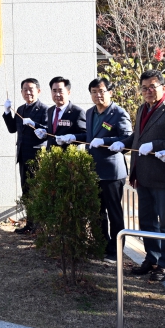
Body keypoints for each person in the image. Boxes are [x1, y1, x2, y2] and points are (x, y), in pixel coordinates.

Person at [113, 69, 165, 282]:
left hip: (164, 178)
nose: (148, 91)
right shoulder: (142, 109)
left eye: (152, 87)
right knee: (147, 221)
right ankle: (152, 258)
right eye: (144, 88)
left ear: (163, 88)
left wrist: (156, 146)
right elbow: (138, 138)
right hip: (143, 176)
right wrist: (123, 145)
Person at [57, 77, 132, 262]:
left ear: (110, 92)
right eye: (94, 92)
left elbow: (128, 138)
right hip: (94, 170)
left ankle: (116, 251)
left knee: (114, 213)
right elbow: (89, 136)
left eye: (102, 91)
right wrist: (73, 136)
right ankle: (102, 245)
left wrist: (107, 142)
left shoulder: (119, 113)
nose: (98, 95)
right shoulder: (90, 113)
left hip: (112, 172)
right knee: (97, 212)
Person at [2, 78, 49, 234]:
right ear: (21, 92)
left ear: (38, 91)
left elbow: (48, 131)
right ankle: (31, 224)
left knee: (38, 190)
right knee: (27, 190)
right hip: (22, 155)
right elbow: (12, 129)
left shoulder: (44, 109)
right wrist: (7, 113)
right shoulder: (21, 109)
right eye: (25, 89)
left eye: (31, 89)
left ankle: (41, 226)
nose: (28, 92)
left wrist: (35, 124)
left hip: (37, 155)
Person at [34, 77, 86, 149]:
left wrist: (73, 137)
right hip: (51, 155)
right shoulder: (50, 110)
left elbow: (86, 135)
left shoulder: (77, 112)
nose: (57, 94)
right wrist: (45, 132)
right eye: (54, 91)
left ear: (68, 92)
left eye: (60, 91)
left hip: (68, 157)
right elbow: (53, 131)